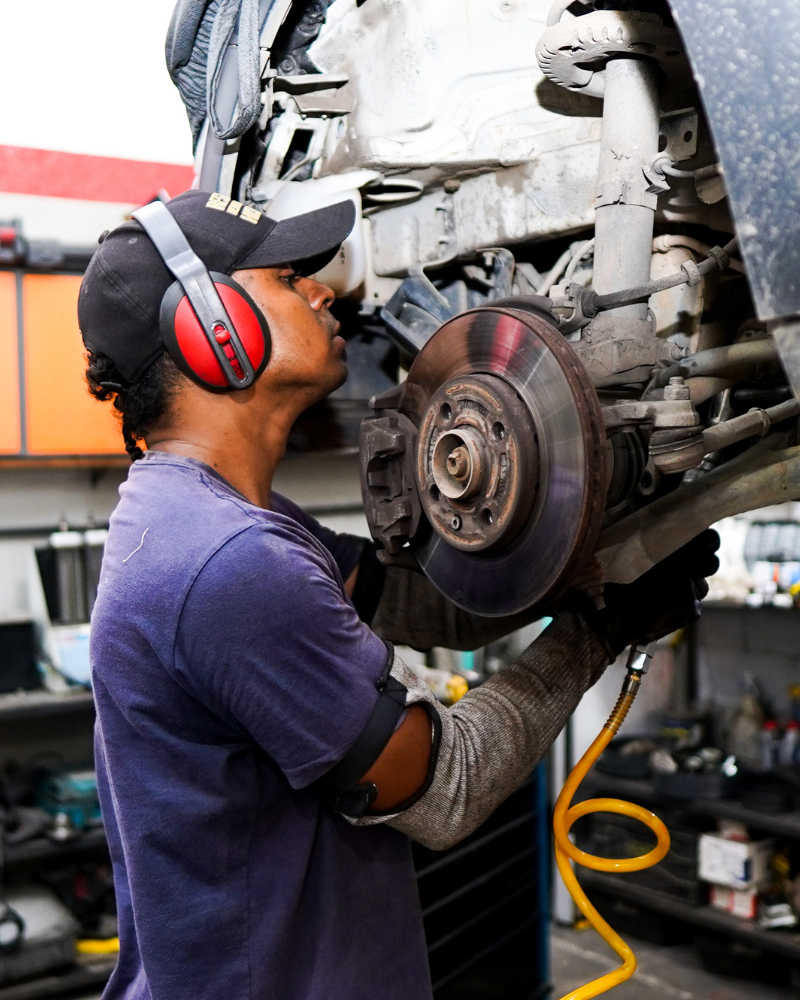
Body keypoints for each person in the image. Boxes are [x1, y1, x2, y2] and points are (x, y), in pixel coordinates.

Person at [78, 189, 718, 1000]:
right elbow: (448, 788)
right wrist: (604, 626)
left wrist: (602, 553)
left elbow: (417, 602)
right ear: (210, 327)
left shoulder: (214, 519)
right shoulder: (230, 562)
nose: (325, 289)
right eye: (287, 276)